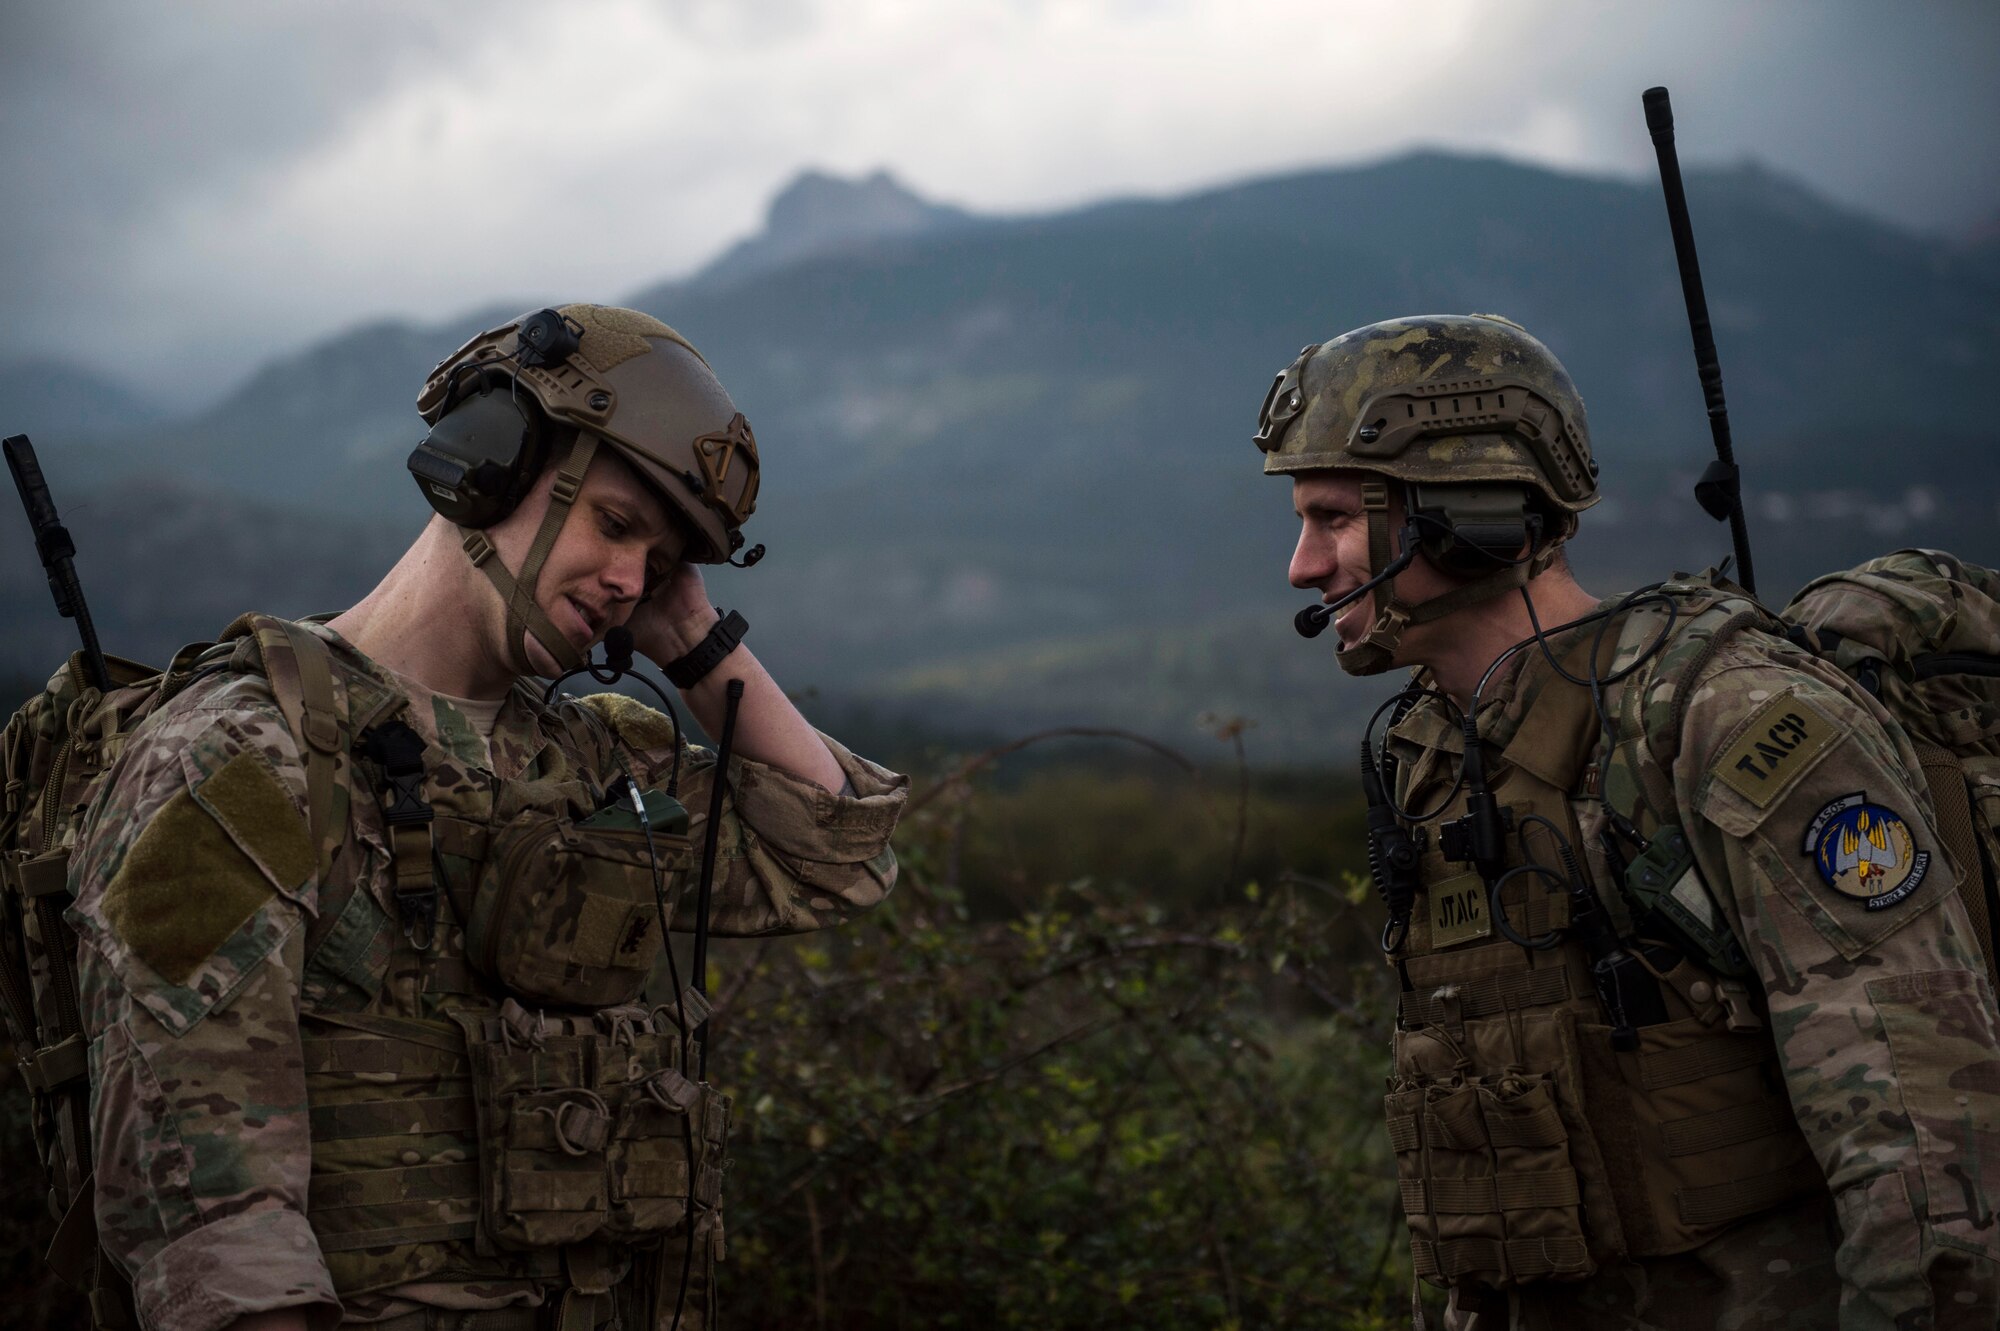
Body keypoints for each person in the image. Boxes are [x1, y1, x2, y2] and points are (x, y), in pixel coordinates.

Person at [66, 304, 908, 1331]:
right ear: (488, 468)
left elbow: (834, 854)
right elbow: (210, 1225)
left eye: (657, 561)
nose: (629, 581)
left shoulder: (586, 763)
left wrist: (690, 628)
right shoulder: (241, 760)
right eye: (616, 524)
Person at [1253, 313, 2000, 1329]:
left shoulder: (1728, 719)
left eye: (1334, 517)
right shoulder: (1436, 755)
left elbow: (1924, 1137)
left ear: (1466, 513)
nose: (1302, 565)